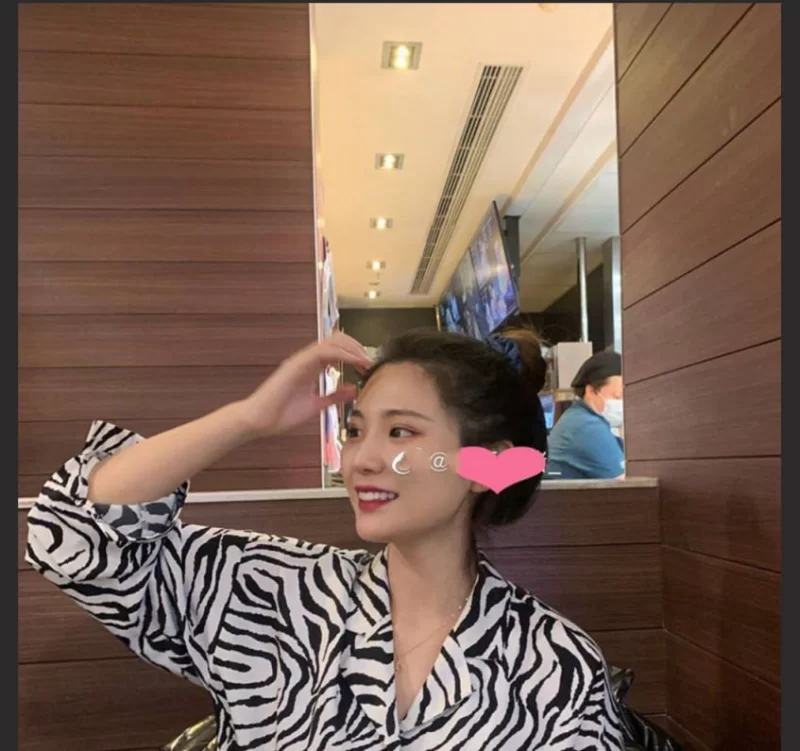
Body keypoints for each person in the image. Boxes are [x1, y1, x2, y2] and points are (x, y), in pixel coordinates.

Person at [26, 329, 624, 750]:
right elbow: (71, 537)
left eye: (401, 432)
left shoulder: (556, 664)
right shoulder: (272, 591)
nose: (361, 459)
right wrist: (247, 418)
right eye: (356, 431)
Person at [545, 350, 626, 480]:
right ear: (591, 390)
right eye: (617, 397)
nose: (622, 403)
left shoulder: (580, 418)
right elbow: (625, 481)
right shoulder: (586, 426)